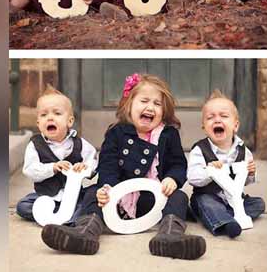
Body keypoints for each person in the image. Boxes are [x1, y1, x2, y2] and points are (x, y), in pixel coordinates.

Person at [40, 74, 206, 260]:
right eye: (144, 101)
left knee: (179, 197)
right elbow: (108, 164)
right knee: (92, 194)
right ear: (129, 105)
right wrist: (107, 188)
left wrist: (172, 179)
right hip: (118, 199)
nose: (150, 107)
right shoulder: (117, 133)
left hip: (152, 199)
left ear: (164, 111)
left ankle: (170, 237)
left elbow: (178, 163)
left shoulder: (168, 134)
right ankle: (85, 232)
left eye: (157, 104)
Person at [187, 90, 266, 238]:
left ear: (235, 125)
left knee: (258, 203)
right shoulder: (199, 150)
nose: (217, 120)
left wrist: (251, 173)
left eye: (223, 116)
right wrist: (209, 171)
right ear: (204, 127)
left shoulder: (243, 150)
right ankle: (225, 223)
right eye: (210, 117)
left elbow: (246, 182)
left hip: (233, 199)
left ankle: (224, 215)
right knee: (207, 204)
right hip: (208, 196)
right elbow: (192, 178)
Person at [16, 85, 97, 225]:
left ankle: (69, 219)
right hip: (46, 196)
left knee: (88, 201)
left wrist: (84, 167)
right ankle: (65, 218)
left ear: (69, 121)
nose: (50, 118)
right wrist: (52, 167)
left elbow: (93, 161)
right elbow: (30, 170)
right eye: (44, 115)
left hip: (73, 197)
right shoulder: (35, 145)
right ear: (38, 123)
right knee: (23, 206)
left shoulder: (80, 144)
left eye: (57, 113)